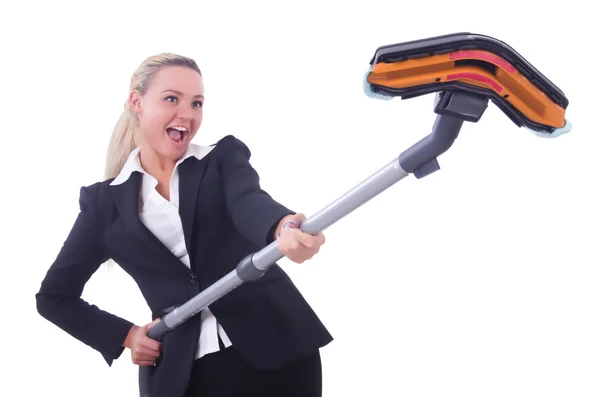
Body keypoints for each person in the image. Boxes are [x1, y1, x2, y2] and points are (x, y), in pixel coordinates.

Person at [35, 53, 333, 397]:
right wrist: (127, 336)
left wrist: (281, 227)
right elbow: (54, 298)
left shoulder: (221, 159)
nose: (187, 115)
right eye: (171, 99)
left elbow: (248, 201)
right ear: (137, 102)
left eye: (197, 103)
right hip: (182, 372)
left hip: (276, 346)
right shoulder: (104, 204)